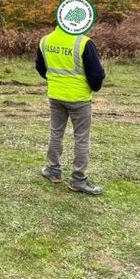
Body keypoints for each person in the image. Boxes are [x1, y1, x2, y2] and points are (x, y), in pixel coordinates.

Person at [35, 22, 106, 195]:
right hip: (79, 98)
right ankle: (78, 180)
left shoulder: (45, 41)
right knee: (81, 139)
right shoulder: (83, 42)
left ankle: (53, 170)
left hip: (55, 95)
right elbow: (97, 75)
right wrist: (92, 88)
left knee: (56, 133)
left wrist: (56, 81)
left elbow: (40, 67)